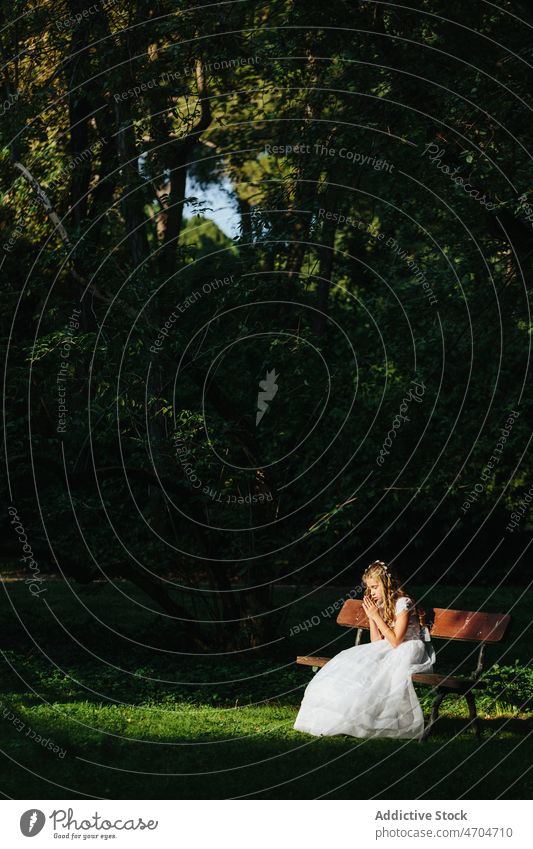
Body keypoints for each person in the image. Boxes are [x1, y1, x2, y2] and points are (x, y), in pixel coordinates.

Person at [293, 560, 436, 740]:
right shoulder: (383, 605)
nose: (372, 592)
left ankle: (377, 718)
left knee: (374, 673)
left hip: (406, 649)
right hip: (388, 648)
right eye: (370, 588)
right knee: (349, 667)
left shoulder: (403, 603)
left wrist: (377, 616)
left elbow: (396, 640)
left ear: (386, 584)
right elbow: (376, 641)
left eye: (375, 587)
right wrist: (372, 618)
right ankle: (345, 716)